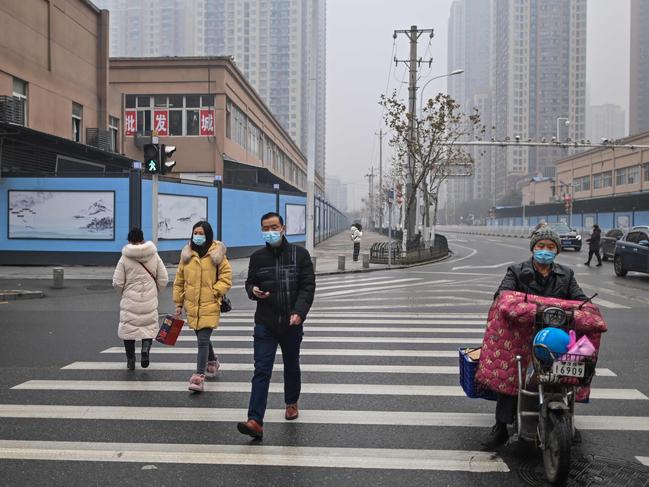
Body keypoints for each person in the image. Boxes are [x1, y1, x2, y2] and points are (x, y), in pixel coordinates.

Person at [483, 227, 588, 449]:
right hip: (522, 336)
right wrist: (524, 307)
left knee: (572, 370)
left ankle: (567, 419)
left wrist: (585, 309)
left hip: (556, 336)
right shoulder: (516, 271)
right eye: (541, 246)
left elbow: (580, 300)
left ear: (557, 251)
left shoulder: (566, 274)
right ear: (533, 248)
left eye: (550, 247)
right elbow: (502, 297)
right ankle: (501, 426)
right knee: (513, 374)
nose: (545, 251)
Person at [237, 212, 316, 438]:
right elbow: (250, 282)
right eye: (265, 228)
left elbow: (308, 286)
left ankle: (291, 402)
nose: (270, 231)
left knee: (291, 365)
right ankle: (255, 420)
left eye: (274, 227)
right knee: (261, 370)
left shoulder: (300, 255)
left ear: (283, 228)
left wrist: (299, 312)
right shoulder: (257, 257)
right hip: (266, 322)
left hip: (291, 323)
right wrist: (253, 291)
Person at [173, 221, 232, 392]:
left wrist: (216, 291)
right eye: (195, 233)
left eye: (201, 233)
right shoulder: (187, 255)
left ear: (208, 235)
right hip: (192, 305)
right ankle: (212, 361)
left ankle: (198, 377)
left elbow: (226, 276)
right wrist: (178, 303)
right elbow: (179, 281)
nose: (197, 236)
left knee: (203, 340)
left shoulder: (217, 254)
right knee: (202, 337)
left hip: (209, 303)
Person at [112, 227, 168, 370]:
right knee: (148, 327)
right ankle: (145, 351)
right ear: (142, 239)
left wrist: (123, 292)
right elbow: (164, 278)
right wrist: (156, 291)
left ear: (129, 240)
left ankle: (131, 360)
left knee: (128, 330)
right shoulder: (154, 255)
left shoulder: (124, 258)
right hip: (149, 298)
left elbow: (117, 282)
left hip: (130, 300)